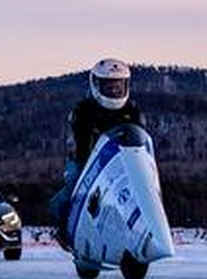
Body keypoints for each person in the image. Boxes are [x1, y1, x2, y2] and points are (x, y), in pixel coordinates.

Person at [50, 58, 141, 245]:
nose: (114, 90)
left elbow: (140, 136)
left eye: (118, 86)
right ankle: (63, 228)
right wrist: (85, 165)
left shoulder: (132, 110)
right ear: (96, 84)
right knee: (74, 186)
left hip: (123, 162)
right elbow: (81, 142)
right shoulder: (84, 110)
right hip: (85, 158)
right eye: (109, 86)